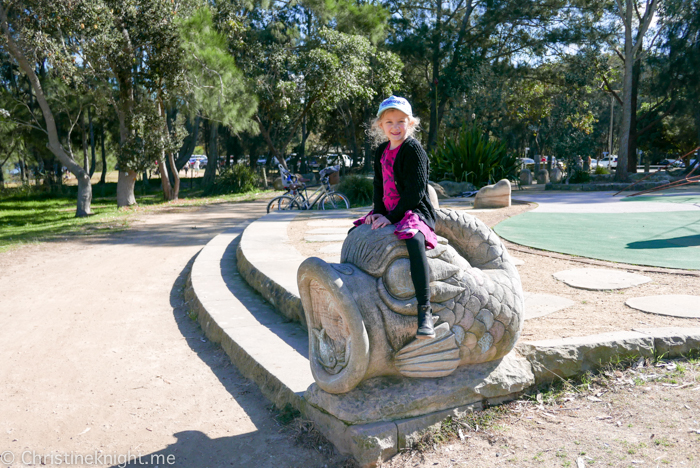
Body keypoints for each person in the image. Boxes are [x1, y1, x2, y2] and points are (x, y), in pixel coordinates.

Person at [353, 95, 438, 339]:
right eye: (389, 122)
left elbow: (416, 191)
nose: (395, 127)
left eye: (401, 121)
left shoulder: (413, 149)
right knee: (357, 233)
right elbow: (379, 186)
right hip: (389, 210)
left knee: (413, 241)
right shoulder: (381, 150)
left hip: (413, 209)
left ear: (411, 123)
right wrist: (379, 212)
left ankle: (425, 310)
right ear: (381, 126)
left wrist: (392, 217)